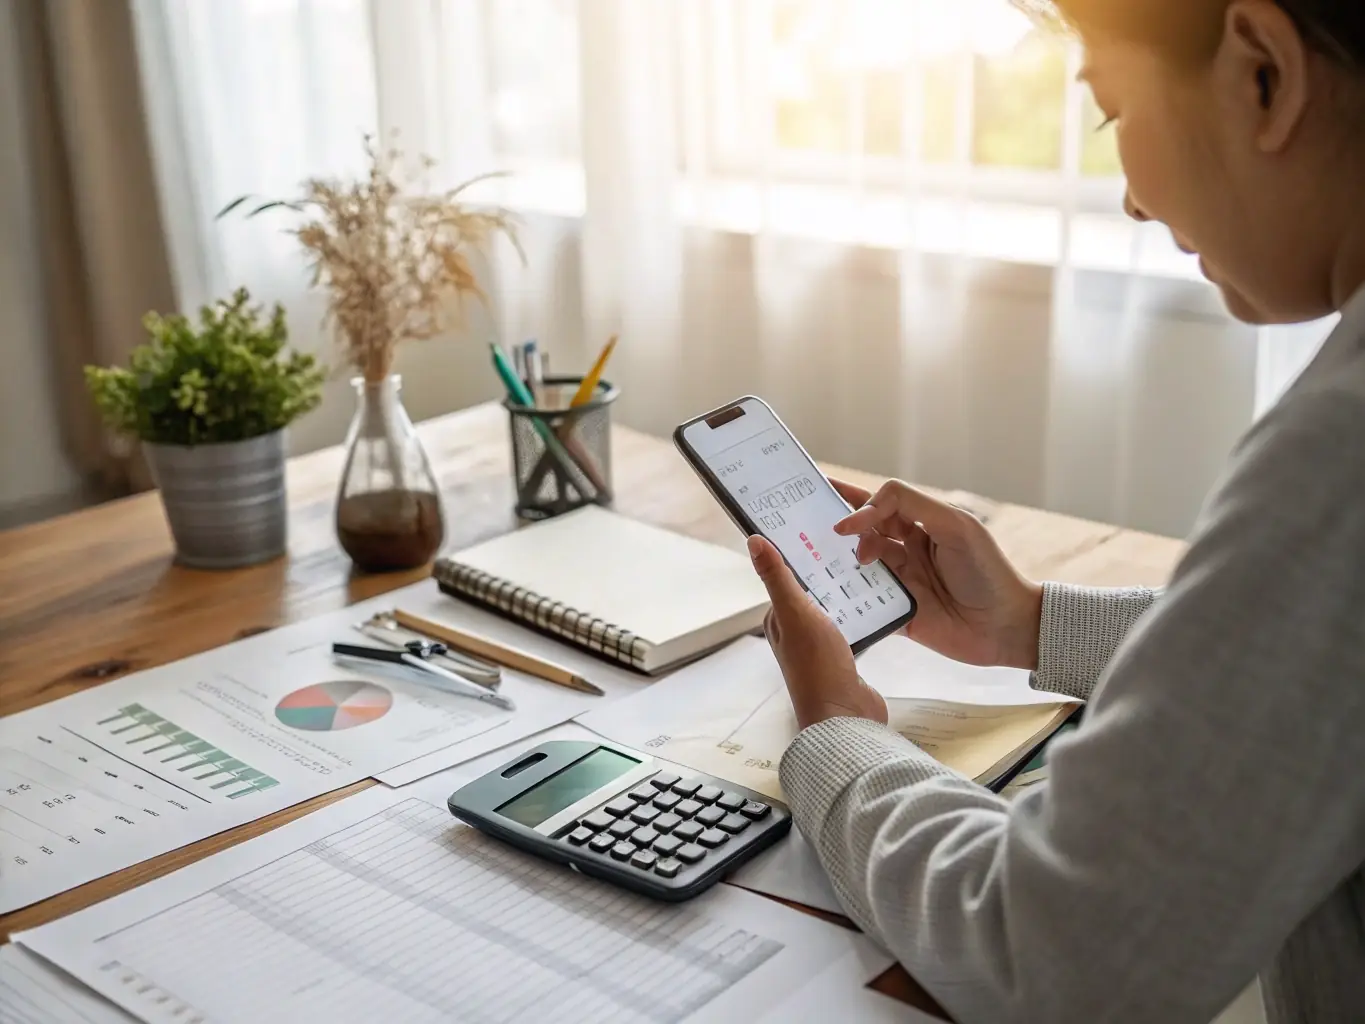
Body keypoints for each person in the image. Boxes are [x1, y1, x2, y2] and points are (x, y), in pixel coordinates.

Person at [744, 2, 1365, 1022]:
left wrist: (836, 733)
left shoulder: (1338, 453)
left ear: (1264, 71)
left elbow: (1051, 954)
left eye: (1113, 112)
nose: (1130, 200)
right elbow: (1320, 661)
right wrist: (1030, 623)